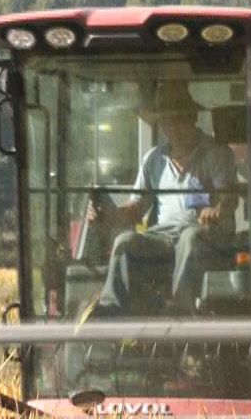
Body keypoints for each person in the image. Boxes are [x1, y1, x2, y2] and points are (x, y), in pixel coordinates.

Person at [86, 84, 237, 315]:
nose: (174, 127)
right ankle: (108, 314)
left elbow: (230, 197)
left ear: (192, 118)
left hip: (209, 238)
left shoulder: (216, 153)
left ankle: (179, 312)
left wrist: (217, 209)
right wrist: (108, 214)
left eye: (180, 119)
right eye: (168, 121)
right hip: (163, 239)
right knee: (124, 242)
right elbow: (136, 209)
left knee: (190, 236)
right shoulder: (153, 160)